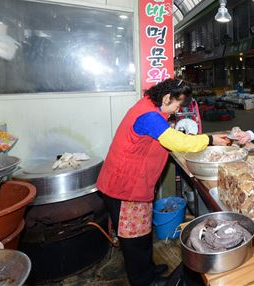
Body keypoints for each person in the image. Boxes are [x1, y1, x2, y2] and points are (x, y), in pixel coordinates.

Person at [96, 79, 229, 286]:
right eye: (177, 105)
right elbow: (178, 142)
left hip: (134, 184)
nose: (177, 110)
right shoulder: (149, 115)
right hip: (124, 188)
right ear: (167, 98)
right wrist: (209, 140)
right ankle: (144, 281)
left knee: (142, 233)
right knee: (134, 241)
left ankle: (148, 271)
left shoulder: (149, 106)